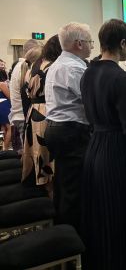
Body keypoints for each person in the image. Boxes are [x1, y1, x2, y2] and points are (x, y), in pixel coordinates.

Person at [81, 19, 126, 270]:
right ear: (121, 43)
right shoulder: (120, 77)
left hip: (95, 146)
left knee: (100, 214)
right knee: (122, 213)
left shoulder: (89, 71)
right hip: (116, 151)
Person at [44, 23, 93, 233]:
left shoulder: (58, 63)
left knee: (64, 183)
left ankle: (63, 229)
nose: (92, 46)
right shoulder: (74, 67)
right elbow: (91, 100)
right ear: (79, 43)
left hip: (57, 128)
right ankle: (73, 237)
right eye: (90, 42)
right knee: (75, 188)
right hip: (71, 130)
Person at [21, 35, 62, 189]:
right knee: (48, 156)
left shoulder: (33, 67)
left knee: (39, 153)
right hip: (46, 112)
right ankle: (51, 192)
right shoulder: (52, 67)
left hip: (33, 112)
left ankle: (43, 187)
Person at [9, 39, 42, 152]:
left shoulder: (19, 66)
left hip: (19, 115)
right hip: (24, 116)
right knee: (30, 156)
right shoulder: (26, 69)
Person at [0, 65, 11, 150]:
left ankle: (3, 148)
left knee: (3, 129)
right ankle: (5, 149)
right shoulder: (2, 84)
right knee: (9, 128)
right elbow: (9, 96)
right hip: (4, 105)